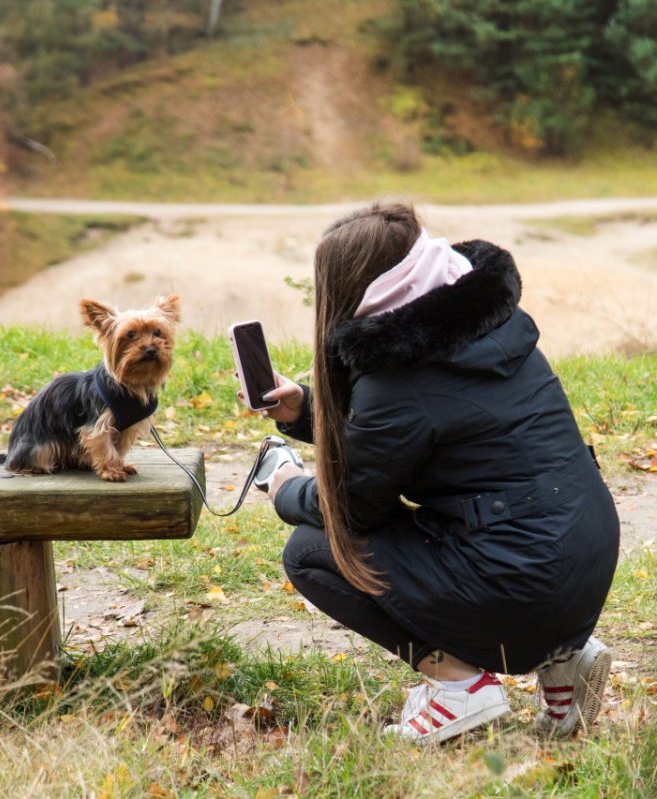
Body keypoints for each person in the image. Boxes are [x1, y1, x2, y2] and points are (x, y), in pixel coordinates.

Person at [249, 201, 620, 744]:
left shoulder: (398, 378)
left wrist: (284, 488)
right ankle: (565, 659)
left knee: (311, 549)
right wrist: (306, 409)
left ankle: (459, 687)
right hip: (583, 557)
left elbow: (354, 507)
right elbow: (411, 437)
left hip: (525, 583)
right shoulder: (488, 321)